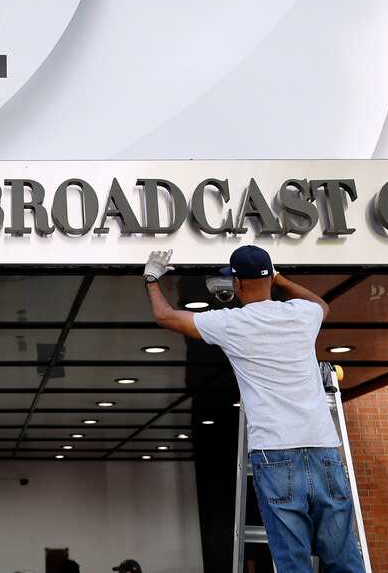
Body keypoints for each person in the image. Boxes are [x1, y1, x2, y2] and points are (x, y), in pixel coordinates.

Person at [142, 244, 364, 573]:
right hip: (323, 447)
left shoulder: (232, 323)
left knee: (293, 563)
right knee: (343, 558)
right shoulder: (302, 314)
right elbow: (321, 305)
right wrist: (280, 279)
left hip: (274, 452)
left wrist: (151, 278)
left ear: (237, 283)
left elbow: (165, 316)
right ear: (269, 278)